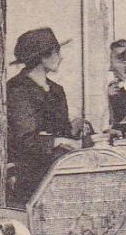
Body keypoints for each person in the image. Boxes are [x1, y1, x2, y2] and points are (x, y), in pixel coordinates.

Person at [7, 27, 85, 206]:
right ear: (42, 57)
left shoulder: (56, 90)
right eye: (57, 52)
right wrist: (56, 141)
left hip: (60, 169)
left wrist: (77, 128)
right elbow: (25, 138)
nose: (61, 57)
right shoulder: (17, 89)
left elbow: (64, 132)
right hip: (32, 173)